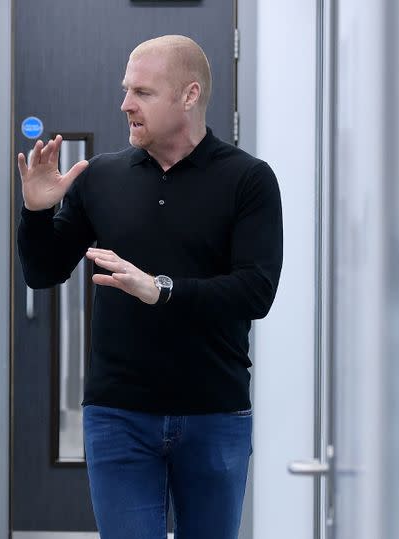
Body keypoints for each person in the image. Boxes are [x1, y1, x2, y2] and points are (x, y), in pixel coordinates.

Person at [17, 35, 283, 539]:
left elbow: (256, 292)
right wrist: (36, 211)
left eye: (142, 92)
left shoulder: (248, 180)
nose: (125, 105)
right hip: (118, 415)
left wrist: (160, 289)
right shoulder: (102, 177)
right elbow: (43, 272)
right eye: (125, 90)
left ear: (188, 95)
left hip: (214, 412)